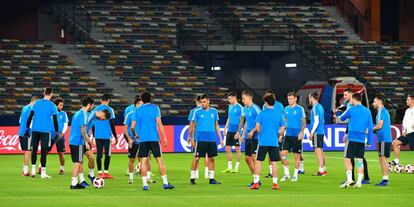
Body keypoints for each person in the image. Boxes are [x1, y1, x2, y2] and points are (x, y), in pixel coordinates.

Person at [131, 92, 174, 191]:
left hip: (143, 139)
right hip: (154, 138)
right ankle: (165, 183)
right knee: (159, 160)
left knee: (143, 161)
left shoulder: (137, 110)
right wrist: (164, 137)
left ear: (141, 99)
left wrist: (135, 135)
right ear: (150, 99)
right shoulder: (155, 108)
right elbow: (159, 124)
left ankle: (145, 185)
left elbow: (132, 127)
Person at [69, 96, 109, 189]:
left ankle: (80, 180)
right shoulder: (83, 114)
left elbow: (85, 128)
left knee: (84, 160)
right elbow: (82, 129)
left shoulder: (80, 113)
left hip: (77, 140)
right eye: (92, 105)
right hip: (78, 141)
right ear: (89, 105)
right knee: (78, 162)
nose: (93, 107)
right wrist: (86, 142)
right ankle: (74, 184)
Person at [249, 94, 285, 190]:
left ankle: (256, 183)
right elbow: (283, 127)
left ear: (265, 102)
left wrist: (261, 133)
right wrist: (278, 134)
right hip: (274, 141)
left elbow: (257, 127)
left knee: (258, 161)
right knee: (274, 162)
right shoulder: (278, 114)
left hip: (263, 141)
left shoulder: (261, 113)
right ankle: (275, 184)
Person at [339, 93, 373, 189]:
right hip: (362, 140)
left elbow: (341, 117)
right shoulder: (367, 111)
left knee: (347, 159)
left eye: (351, 100)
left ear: (354, 99)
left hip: (352, 139)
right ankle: (359, 182)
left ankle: (350, 179)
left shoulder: (351, 109)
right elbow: (370, 127)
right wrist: (369, 141)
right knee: (359, 160)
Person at [189, 94, 224, 185]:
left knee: (211, 158)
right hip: (200, 139)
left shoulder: (214, 111)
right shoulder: (197, 112)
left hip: (211, 139)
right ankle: (192, 178)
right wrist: (192, 138)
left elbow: (216, 125)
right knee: (196, 158)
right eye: (201, 102)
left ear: (208, 101)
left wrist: (220, 138)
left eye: (204, 102)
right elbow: (193, 125)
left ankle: (211, 178)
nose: (202, 104)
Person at [26, 87, 58, 178]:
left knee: (34, 149)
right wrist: (56, 132)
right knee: (44, 151)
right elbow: (55, 120)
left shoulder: (37, 103)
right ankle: (43, 173)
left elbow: (30, 116)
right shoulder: (52, 106)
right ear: (51, 94)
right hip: (45, 131)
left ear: (44, 93)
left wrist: (27, 128)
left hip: (35, 130)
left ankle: (33, 171)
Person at [280, 92, 306, 182]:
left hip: (297, 135)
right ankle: (286, 174)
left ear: (295, 99)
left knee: (297, 156)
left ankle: (295, 175)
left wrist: (302, 132)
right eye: (288, 99)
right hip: (288, 135)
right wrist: (281, 133)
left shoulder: (300, 109)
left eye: (291, 99)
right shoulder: (286, 109)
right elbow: (284, 122)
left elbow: (303, 122)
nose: (289, 100)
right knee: (283, 154)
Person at [91, 94, 117, 179]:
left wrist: (94, 136)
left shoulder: (96, 109)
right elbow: (112, 124)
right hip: (107, 136)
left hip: (98, 135)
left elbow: (93, 124)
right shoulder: (110, 110)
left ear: (101, 100)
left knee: (99, 154)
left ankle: (99, 173)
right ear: (108, 100)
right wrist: (115, 136)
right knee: (107, 154)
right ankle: (106, 172)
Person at [241, 90, 261, 186]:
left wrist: (253, 131)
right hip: (248, 137)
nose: (242, 100)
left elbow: (260, 122)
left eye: (243, 98)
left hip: (256, 137)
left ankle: (256, 180)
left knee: (254, 157)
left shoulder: (256, 108)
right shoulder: (245, 109)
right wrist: (243, 134)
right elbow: (246, 123)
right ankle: (256, 178)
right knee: (247, 158)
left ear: (249, 98)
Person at [188, 95, 209, 179]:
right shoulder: (208, 110)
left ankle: (196, 173)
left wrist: (189, 136)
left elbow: (191, 125)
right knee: (207, 155)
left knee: (196, 155)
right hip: (206, 135)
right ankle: (207, 173)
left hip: (197, 136)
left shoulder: (193, 111)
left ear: (197, 102)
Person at [372, 96, 392, 186]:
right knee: (382, 158)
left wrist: (369, 130)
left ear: (379, 102)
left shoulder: (382, 111)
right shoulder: (381, 112)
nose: (373, 103)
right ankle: (384, 178)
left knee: (383, 159)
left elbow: (379, 126)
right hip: (382, 138)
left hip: (384, 139)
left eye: (374, 101)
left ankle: (385, 180)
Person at [222, 92, 243, 173]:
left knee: (237, 149)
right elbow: (229, 118)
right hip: (230, 130)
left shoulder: (240, 107)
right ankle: (229, 167)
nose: (229, 100)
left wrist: (238, 132)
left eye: (230, 98)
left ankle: (236, 167)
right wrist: (225, 127)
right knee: (227, 148)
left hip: (236, 131)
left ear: (234, 98)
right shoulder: (230, 107)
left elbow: (242, 120)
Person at [390, 94, 414, 165]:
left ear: (413, 101)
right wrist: (403, 130)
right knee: (395, 143)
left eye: (408, 100)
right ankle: (396, 161)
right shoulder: (407, 110)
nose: (406, 101)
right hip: (407, 133)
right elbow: (404, 121)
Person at [47, 98, 69, 175]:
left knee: (61, 152)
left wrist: (62, 133)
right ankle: (41, 167)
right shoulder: (50, 113)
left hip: (60, 135)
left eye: (62, 105)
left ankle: (62, 168)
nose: (61, 107)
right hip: (51, 134)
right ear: (56, 105)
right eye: (60, 105)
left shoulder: (63, 114)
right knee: (45, 151)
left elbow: (66, 124)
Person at [19, 95, 38, 176]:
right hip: (28, 133)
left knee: (27, 151)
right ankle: (25, 171)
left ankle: (25, 169)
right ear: (34, 101)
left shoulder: (24, 108)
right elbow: (30, 123)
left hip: (21, 132)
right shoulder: (31, 109)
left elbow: (20, 120)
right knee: (28, 151)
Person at [308, 91, 327, 176]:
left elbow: (316, 121)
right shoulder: (320, 106)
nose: (309, 99)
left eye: (309, 98)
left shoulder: (315, 107)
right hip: (321, 131)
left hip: (317, 131)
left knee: (318, 151)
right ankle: (324, 169)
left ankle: (321, 170)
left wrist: (312, 132)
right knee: (321, 151)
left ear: (312, 98)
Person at [124, 97, 142, 184]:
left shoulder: (143, 114)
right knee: (132, 159)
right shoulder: (130, 114)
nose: (142, 105)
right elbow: (125, 129)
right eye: (141, 104)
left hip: (143, 140)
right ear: (137, 104)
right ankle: (131, 178)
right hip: (133, 140)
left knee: (145, 159)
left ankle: (146, 178)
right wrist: (129, 139)